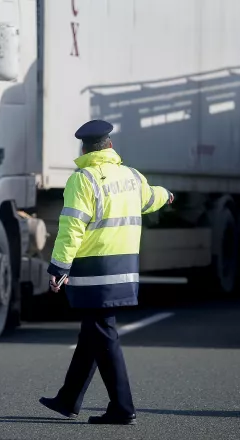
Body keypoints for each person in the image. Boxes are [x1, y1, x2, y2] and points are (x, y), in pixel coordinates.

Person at [39, 119, 174, 425]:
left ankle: (123, 408)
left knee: (102, 331)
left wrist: (59, 266)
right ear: (110, 146)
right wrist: (167, 195)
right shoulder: (131, 176)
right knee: (93, 332)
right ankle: (68, 399)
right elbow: (150, 198)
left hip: (94, 270)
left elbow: (71, 226)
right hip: (123, 268)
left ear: (84, 149)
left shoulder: (83, 179)